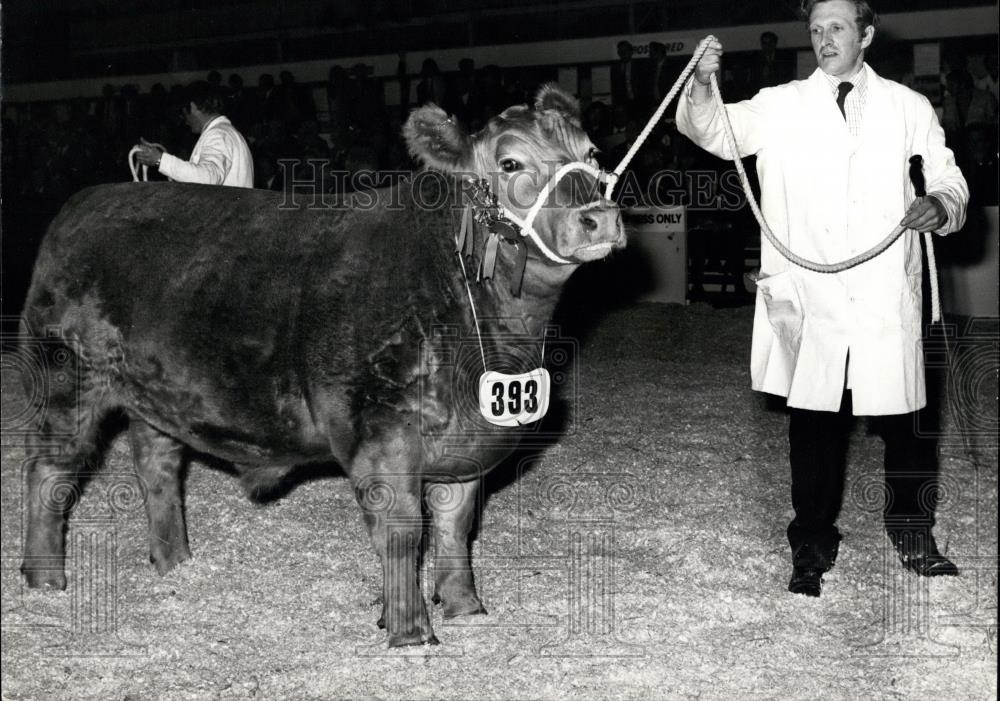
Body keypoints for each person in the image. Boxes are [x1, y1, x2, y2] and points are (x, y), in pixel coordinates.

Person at [676, 0, 968, 597]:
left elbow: (948, 176)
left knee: (909, 420)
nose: (824, 38)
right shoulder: (780, 104)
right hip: (809, 292)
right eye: (816, 29)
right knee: (812, 423)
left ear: (866, 34)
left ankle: (913, 530)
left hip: (886, 287)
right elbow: (711, 130)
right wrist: (703, 81)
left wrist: (940, 204)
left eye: (836, 27)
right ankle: (811, 539)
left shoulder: (909, 106)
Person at [134, 81, 253, 188]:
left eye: (184, 113)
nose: (186, 121)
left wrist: (160, 159)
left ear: (192, 106)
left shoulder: (218, 134)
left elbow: (209, 178)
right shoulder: (226, 132)